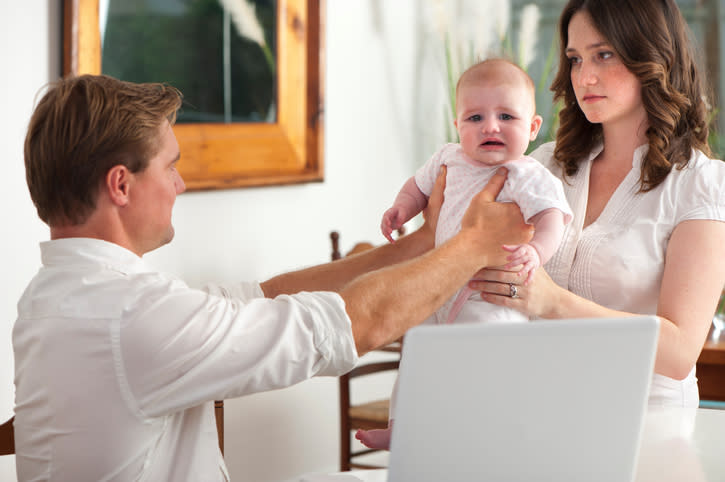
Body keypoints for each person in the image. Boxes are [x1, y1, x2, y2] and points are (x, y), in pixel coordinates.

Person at [13, 73, 532, 481]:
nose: (181, 183)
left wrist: (422, 243)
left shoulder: (65, 296)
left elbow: (258, 298)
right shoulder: (130, 318)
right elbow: (352, 323)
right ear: (121, 185)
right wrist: (471, 246)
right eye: (169, 166)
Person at [470, 0, 725, 408]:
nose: (584, 76)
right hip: (537, 411)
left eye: (604, 55)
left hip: (645, 425)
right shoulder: (544, 167)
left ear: (654, 57)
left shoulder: (701, 184)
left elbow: (679, 352)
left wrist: (552, 302)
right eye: (575, 59)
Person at [356, 59, 573, 450]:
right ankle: (403, 424)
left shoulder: (528, 174)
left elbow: (552, 218)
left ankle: (488, 424)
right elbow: (416, 187)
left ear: (534, 127)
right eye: (475, 117)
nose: (490, 126)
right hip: (437, 287)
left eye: (506, 115)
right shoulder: (448, 158)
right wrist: (401, 208)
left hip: (487, 293)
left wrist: (536, 252)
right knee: (419, 359)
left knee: (485, 360)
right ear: (457, 127)